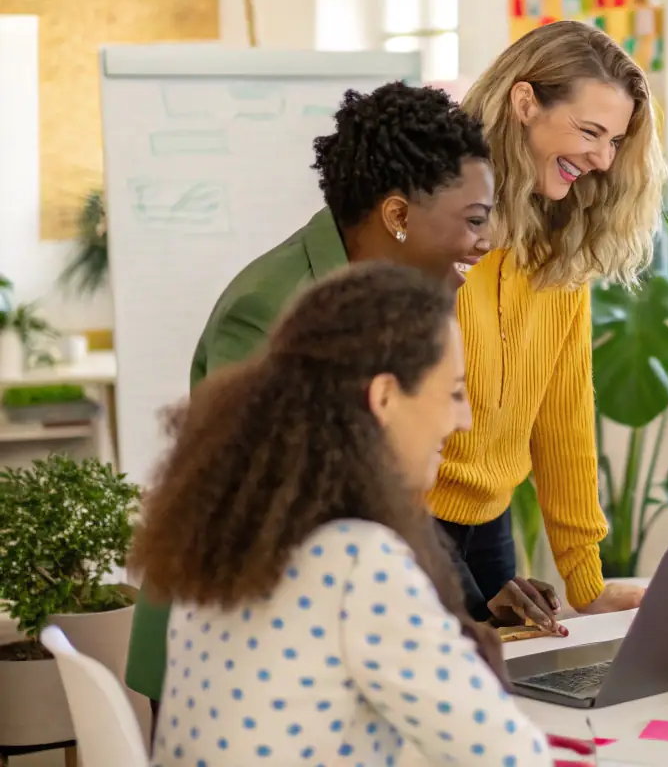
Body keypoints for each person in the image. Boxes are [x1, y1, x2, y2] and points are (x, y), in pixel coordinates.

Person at [125, 84, 563, 722]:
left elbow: (386, 496)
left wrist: (469, 601)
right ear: (398, 215)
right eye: (473, 218)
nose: (488, 240)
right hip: (232, 650)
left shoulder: (397, 303)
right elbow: (283, 514)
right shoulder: (276, 308)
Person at [129, 262, 553, 767]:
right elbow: (510, 755)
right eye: (455, 391)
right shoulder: (357, 561)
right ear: (385, 397)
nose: (463, 419)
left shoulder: (231, 532)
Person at [436, 20, 667, 620]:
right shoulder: (437, 227)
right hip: (409, 520)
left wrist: (586, 583)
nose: (601, 158)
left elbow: (564, 417)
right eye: (590, 131)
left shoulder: (560, 246)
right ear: (524, 102)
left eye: (614, 142)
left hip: (491, 526)